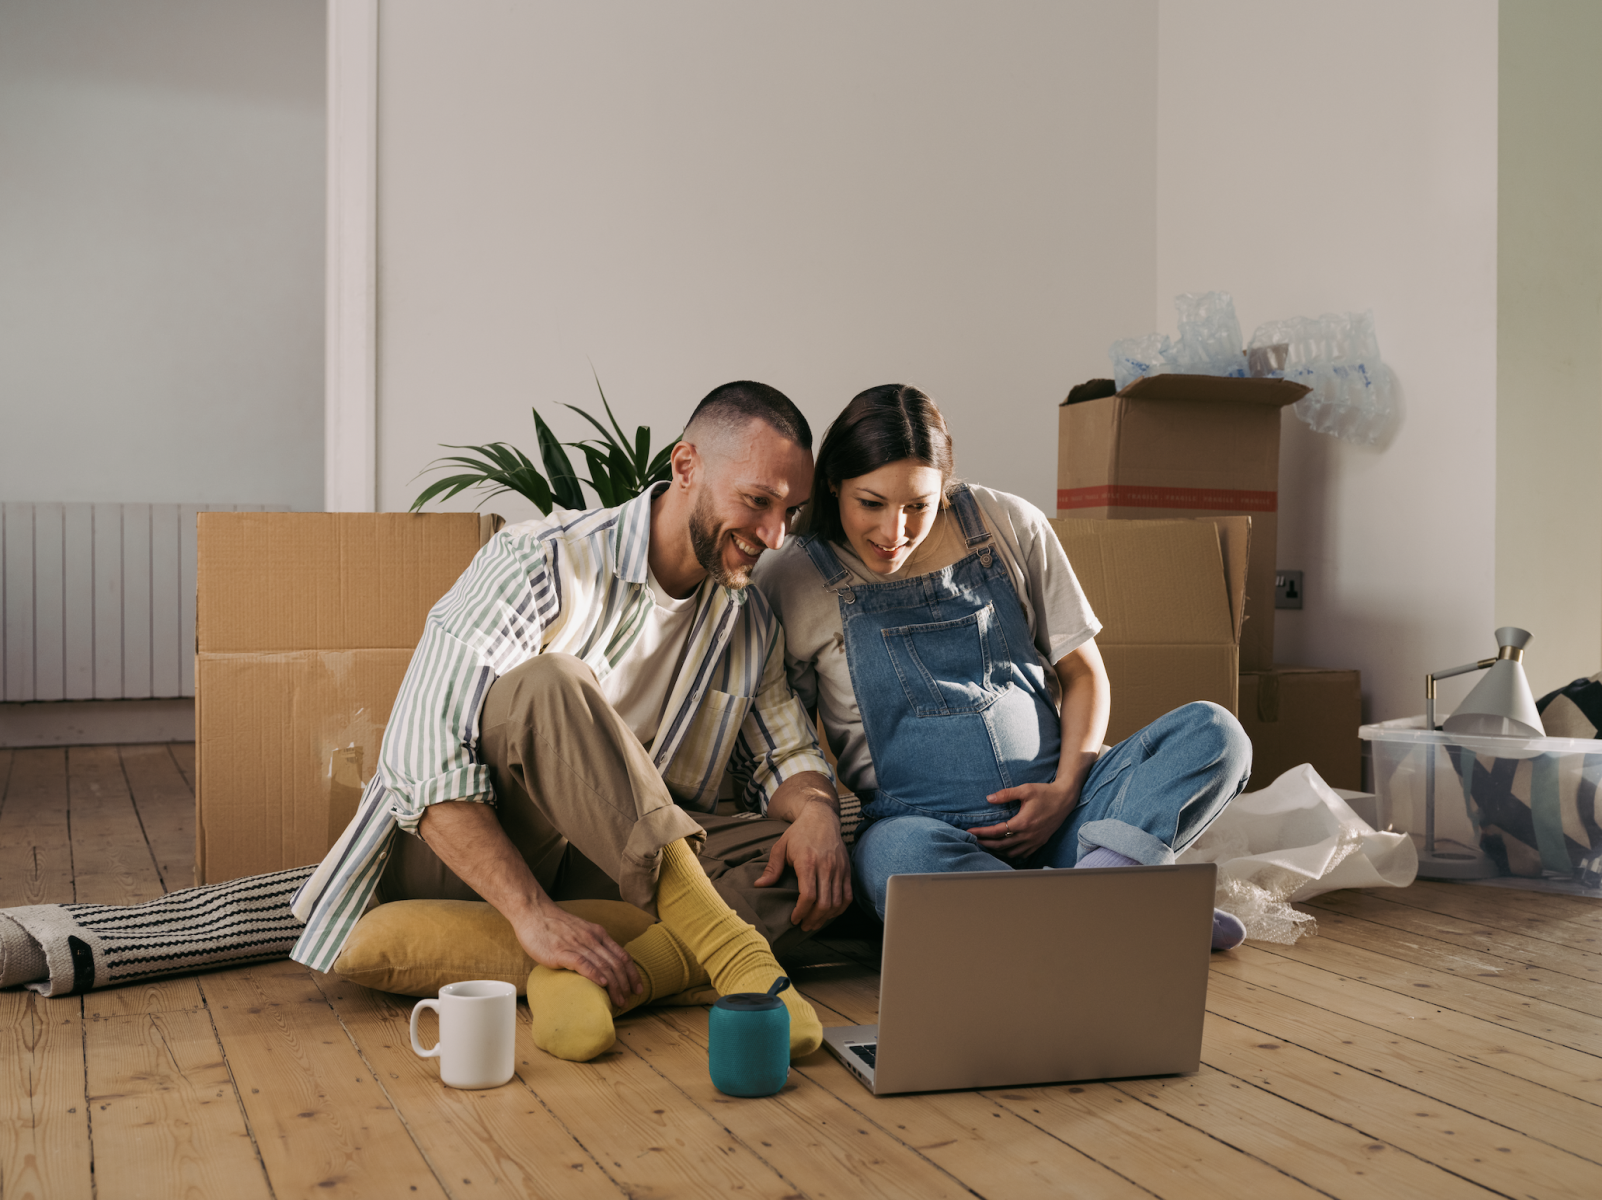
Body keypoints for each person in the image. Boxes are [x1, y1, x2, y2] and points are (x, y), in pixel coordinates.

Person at [0, 381, 847, 1062]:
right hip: (483, 855)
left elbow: (785, 746)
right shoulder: (541, 558)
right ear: (687, 464)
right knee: (551, 685)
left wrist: (810, 808)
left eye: (790, 513)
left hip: (614, 869)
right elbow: (421, 754)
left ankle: (586, 971)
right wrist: (527, 912)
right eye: (759, 501)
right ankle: (702, 946)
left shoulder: (746, 620)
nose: (774, 536)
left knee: (823, 855)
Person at [753, 384, 1251, 949]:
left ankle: (1072, 910)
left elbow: (1084, 673)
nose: (894, 533)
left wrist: (1065, 790)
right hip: (926, 834)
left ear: (944, 488)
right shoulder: (791, 578)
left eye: (917, 505)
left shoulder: (1007, 522)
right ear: (834, 484)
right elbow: (788, 739)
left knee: (1215, 733)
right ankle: (1124, 900)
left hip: (1068, 816)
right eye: (871, 503)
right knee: (894, 860)